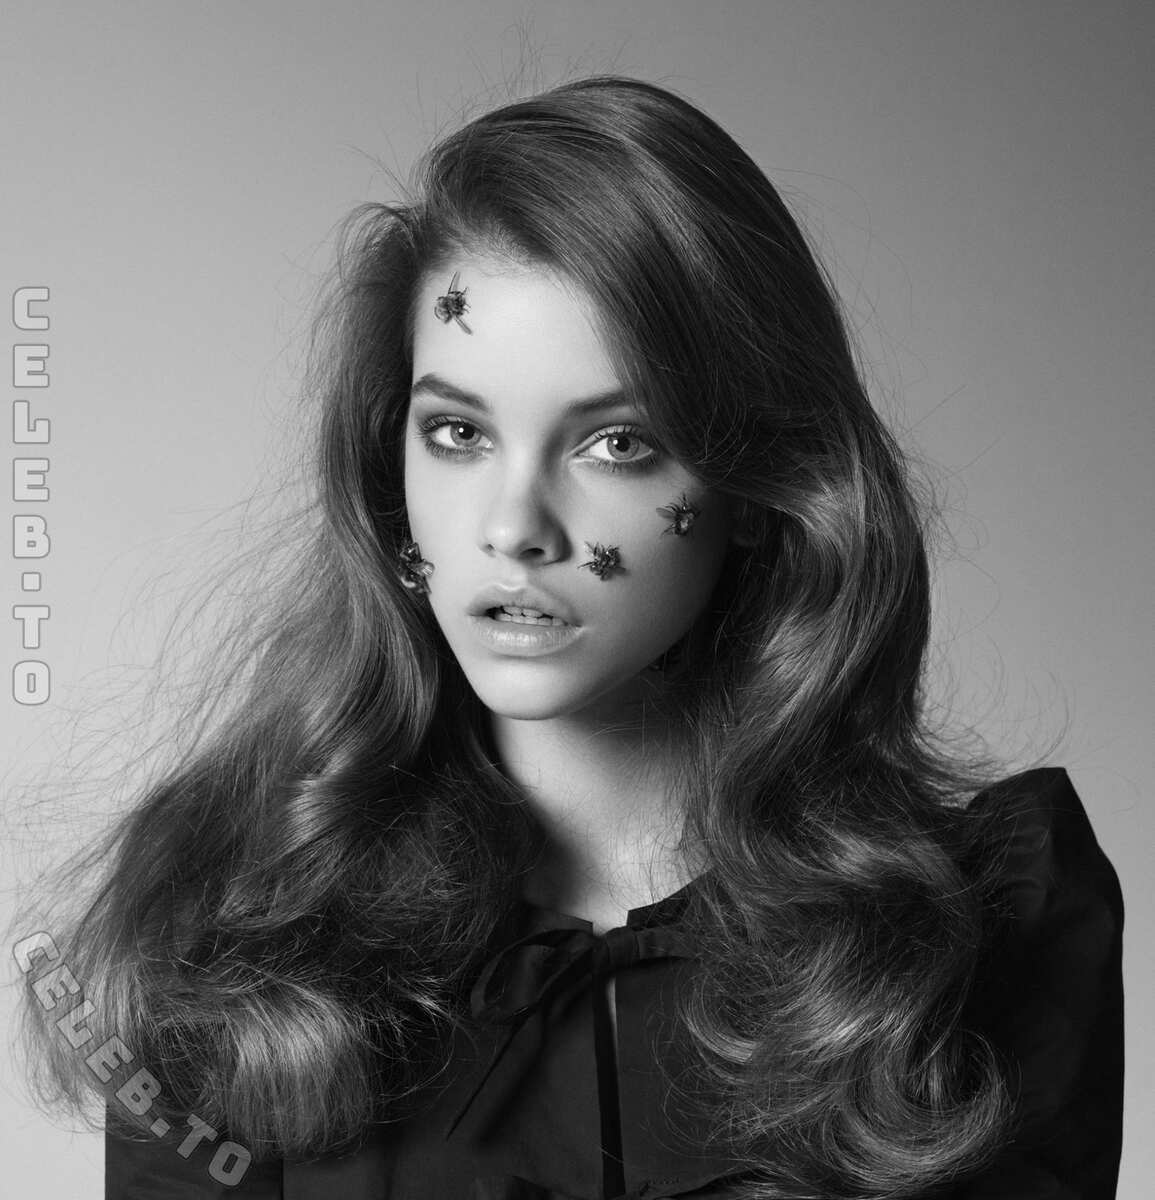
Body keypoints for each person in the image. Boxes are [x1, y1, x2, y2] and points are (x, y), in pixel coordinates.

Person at [22, 76, 1122, 1199]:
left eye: (616, 444)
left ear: (757, 487)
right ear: (387, 469)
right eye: (457, 432)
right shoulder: (232, 940)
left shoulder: (985, 933)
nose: (514, 529)